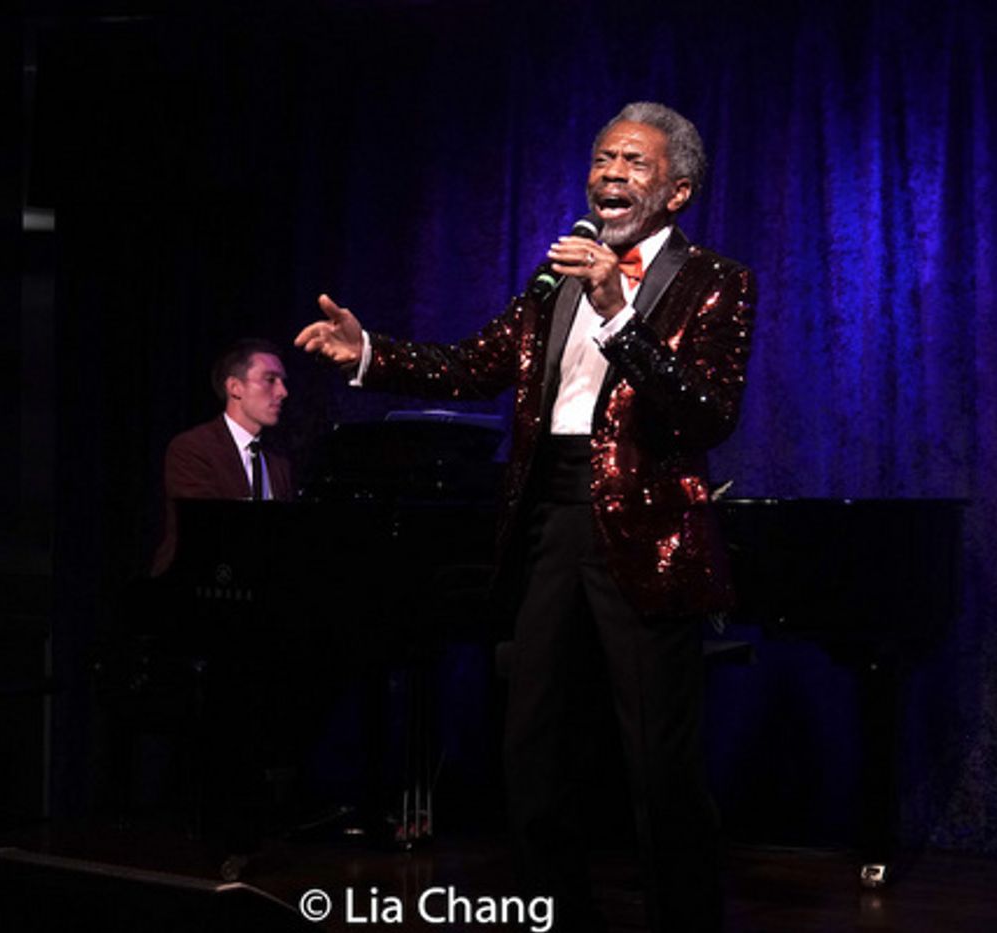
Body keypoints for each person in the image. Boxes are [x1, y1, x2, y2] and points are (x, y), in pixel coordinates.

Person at [295, 101, 755, 932]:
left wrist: (618, 312)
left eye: (634, 162)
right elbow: (474, 364)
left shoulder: (715, 281)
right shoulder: (553, 283)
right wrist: (368, 352)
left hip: (646, 531)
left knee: (659, 765)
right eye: (603, 158)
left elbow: (706, 412)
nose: (611, 173)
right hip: (548, 514)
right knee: (531, 750)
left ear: (678, 191)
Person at [150, 338, 293, 576]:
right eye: (270, 380)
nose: (283, 392)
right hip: (199, 581)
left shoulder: (278, 459)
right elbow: (206, 528)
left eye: (282, 382)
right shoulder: (193, 448)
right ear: (235, 387)